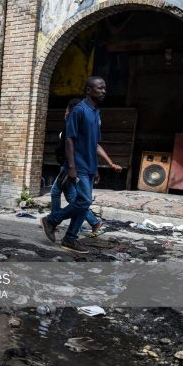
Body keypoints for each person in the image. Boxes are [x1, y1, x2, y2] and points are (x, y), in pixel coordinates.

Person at [42, 76, 117, 253]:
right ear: (89, 90)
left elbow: (94, 144)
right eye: (100, 88)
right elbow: (69, 139)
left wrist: (96, 168)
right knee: (83, 201)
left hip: (90, 166)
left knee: (84, 203)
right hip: (79, 165)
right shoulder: (79, 111)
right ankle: (52, 220)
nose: (104, 91)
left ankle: (69, 238)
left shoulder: (96, 112)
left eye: (105, 88)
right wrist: (72, 167)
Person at [49, 98, 121, 237]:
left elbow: (91, 147)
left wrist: (71, 168)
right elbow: (92, 147)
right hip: (74, 167)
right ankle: (68, 227)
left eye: (66, 110)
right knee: (72, 197)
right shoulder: (76, 126)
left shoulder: (76, 126)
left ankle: (54, 221)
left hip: (72, 168)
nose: (65, 113)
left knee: (75, 198)